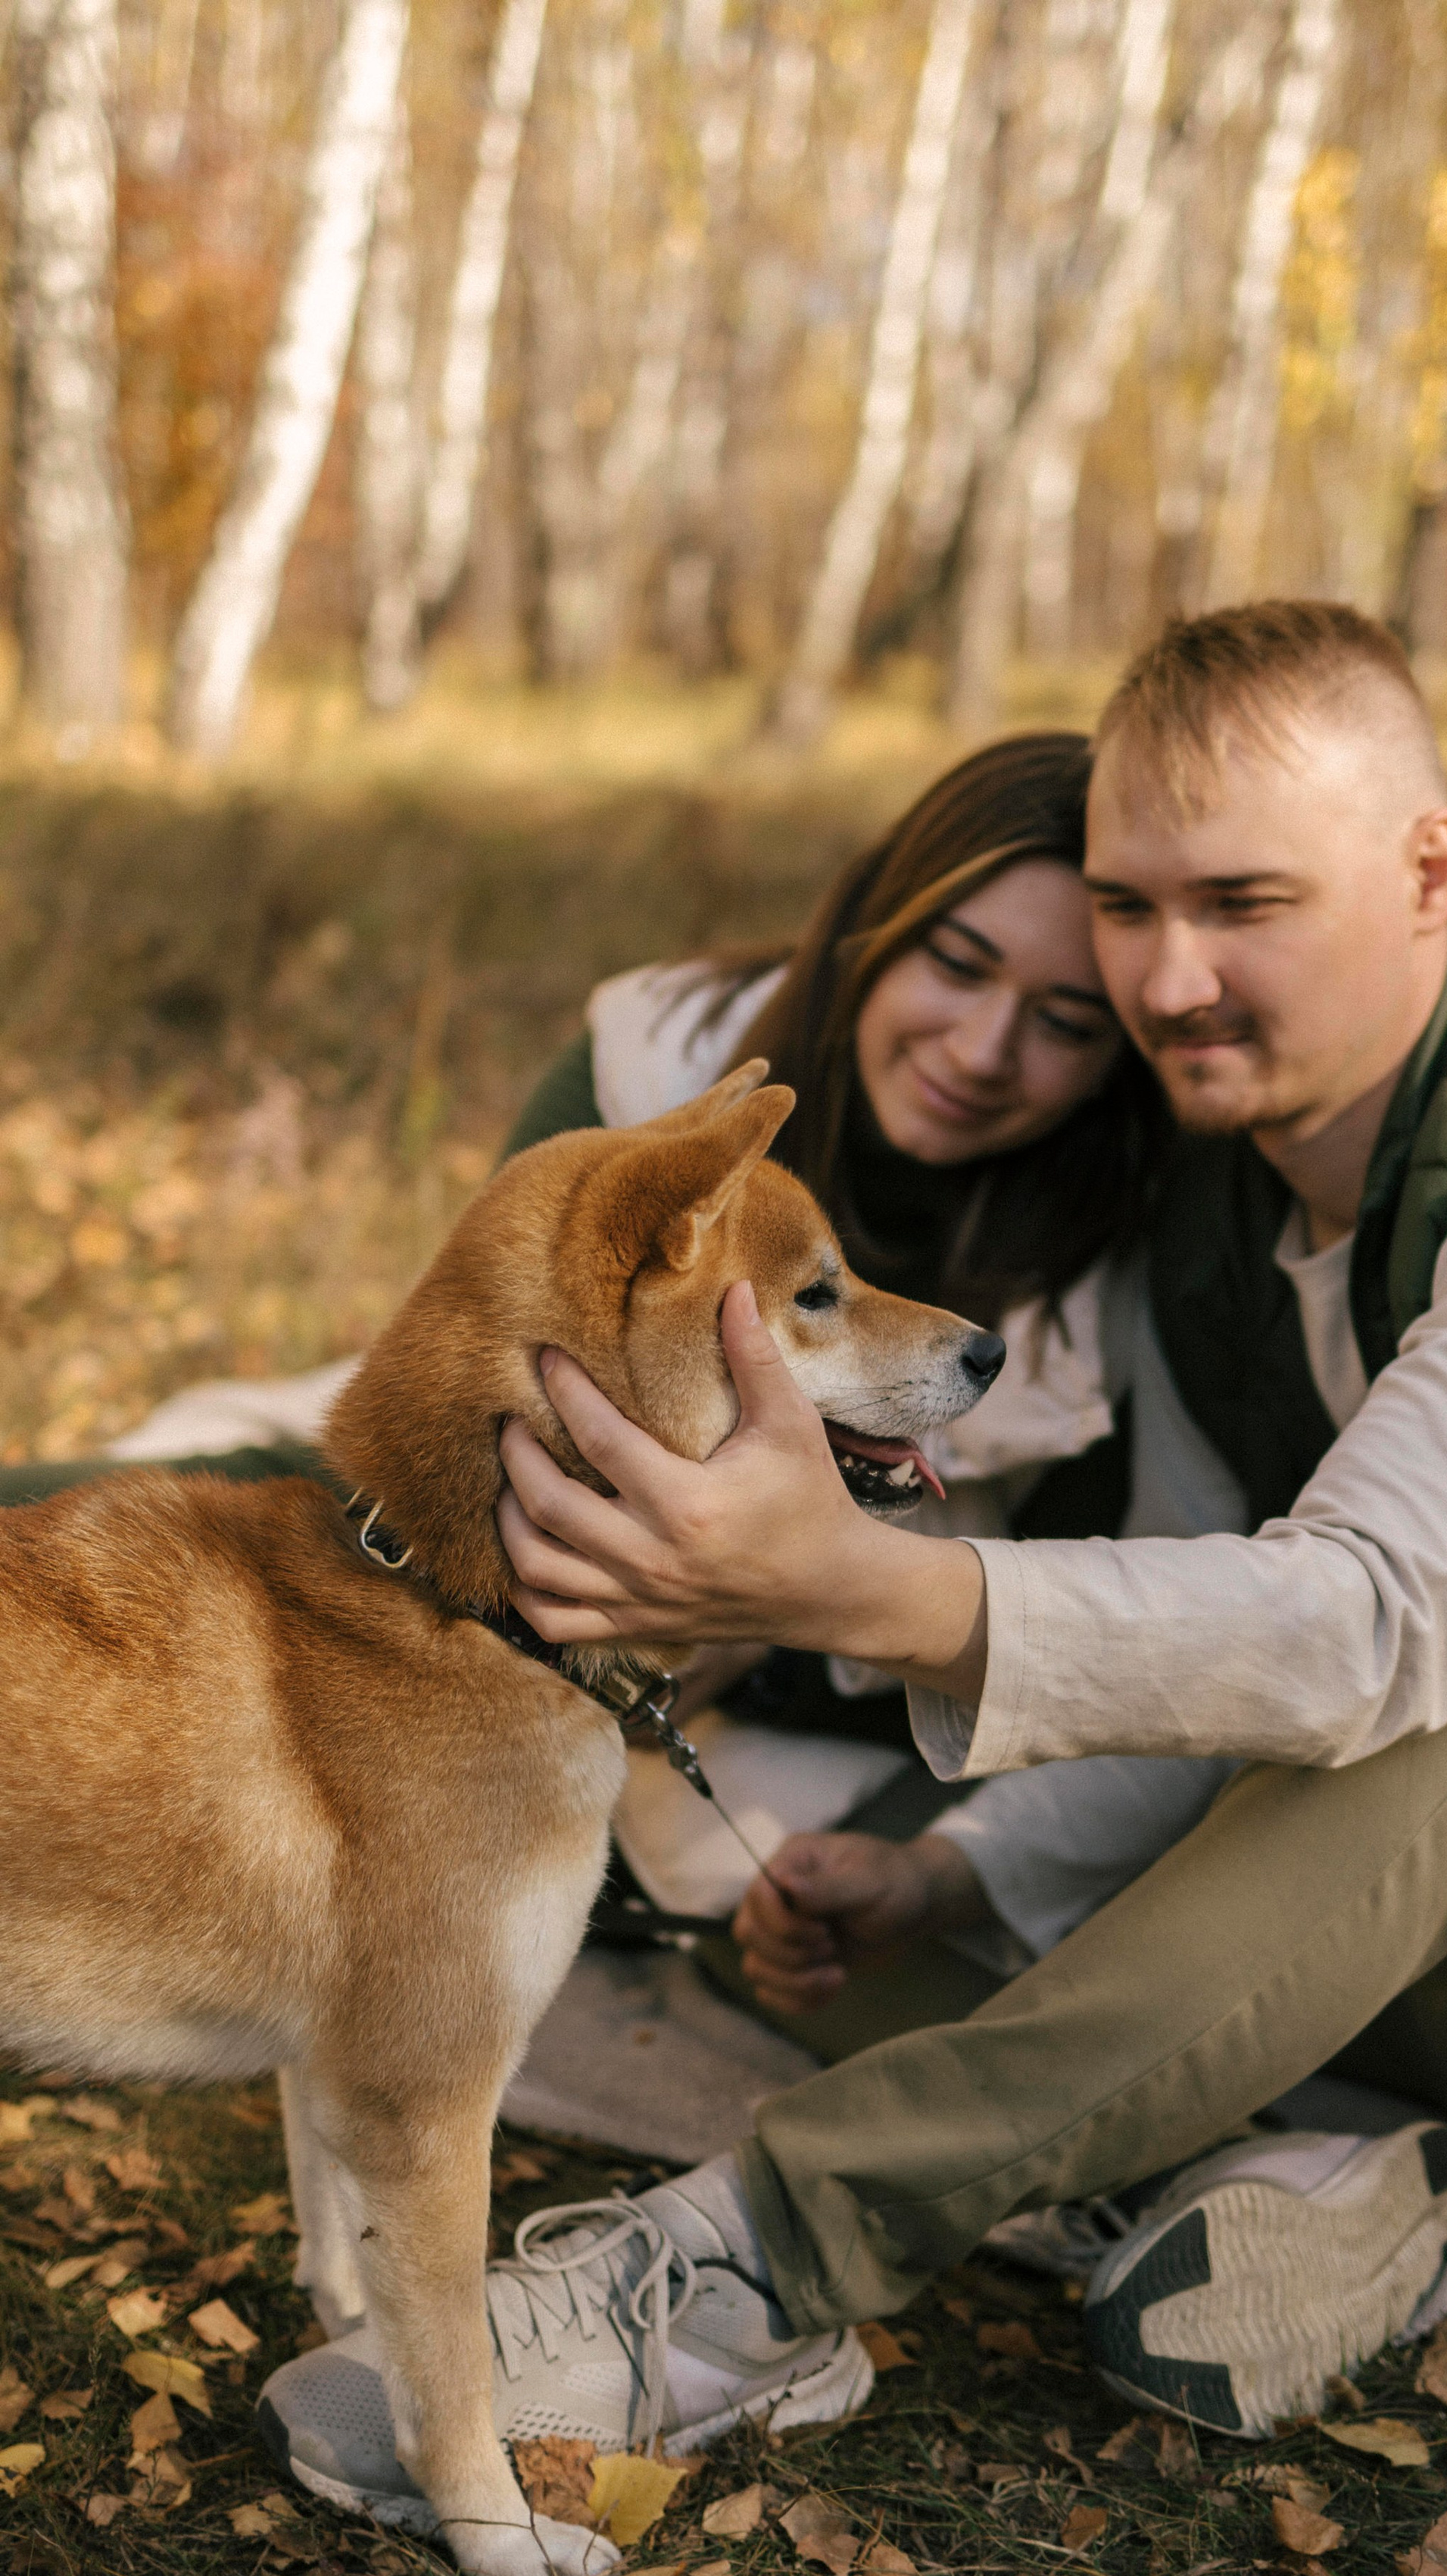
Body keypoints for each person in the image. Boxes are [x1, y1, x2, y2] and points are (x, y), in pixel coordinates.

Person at [262, 601, 1447, 2510]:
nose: (1168, 978)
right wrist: (944, 1875)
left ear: (1427, 871)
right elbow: (1208, 1611)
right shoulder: (1231, 1186)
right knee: (797, 1936)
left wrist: (844, 1585)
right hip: (1402, 1929)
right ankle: (1319, 2176)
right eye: (1131, 911)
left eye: (1243, 904)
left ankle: (751, 2264)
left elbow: (1367, 1633)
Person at [5, 733, 1173, 2061]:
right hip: (502, 1577)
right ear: (872, 927)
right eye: (956, 964)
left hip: (831, 1700)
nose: (981, 1045)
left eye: (1067, 1023)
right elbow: (477, 1406)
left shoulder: (1127, 1266)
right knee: (150, 1521)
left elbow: (1096, 1633)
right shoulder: (654, 1061)